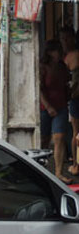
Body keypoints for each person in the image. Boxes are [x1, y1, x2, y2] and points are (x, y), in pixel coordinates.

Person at [40, 39, 72, 184]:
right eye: (56, 51)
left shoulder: (62, 67)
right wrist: (48, 106)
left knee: (59, 138)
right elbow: (39, 89)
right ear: (49, 52)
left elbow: (67, 84)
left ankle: (58, 172)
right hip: (45, 108)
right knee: (44, 140)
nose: (59, 54)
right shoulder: (43, 67)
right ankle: (40, 168)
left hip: (61, 106)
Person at [61, 27, 79, 177]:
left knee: (76, 133)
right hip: (73, 99)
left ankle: (75, 165)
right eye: (63, 39)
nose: (65, 41)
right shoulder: (65, 57)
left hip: (75, 98)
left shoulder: (68, 57)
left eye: (67, 38)